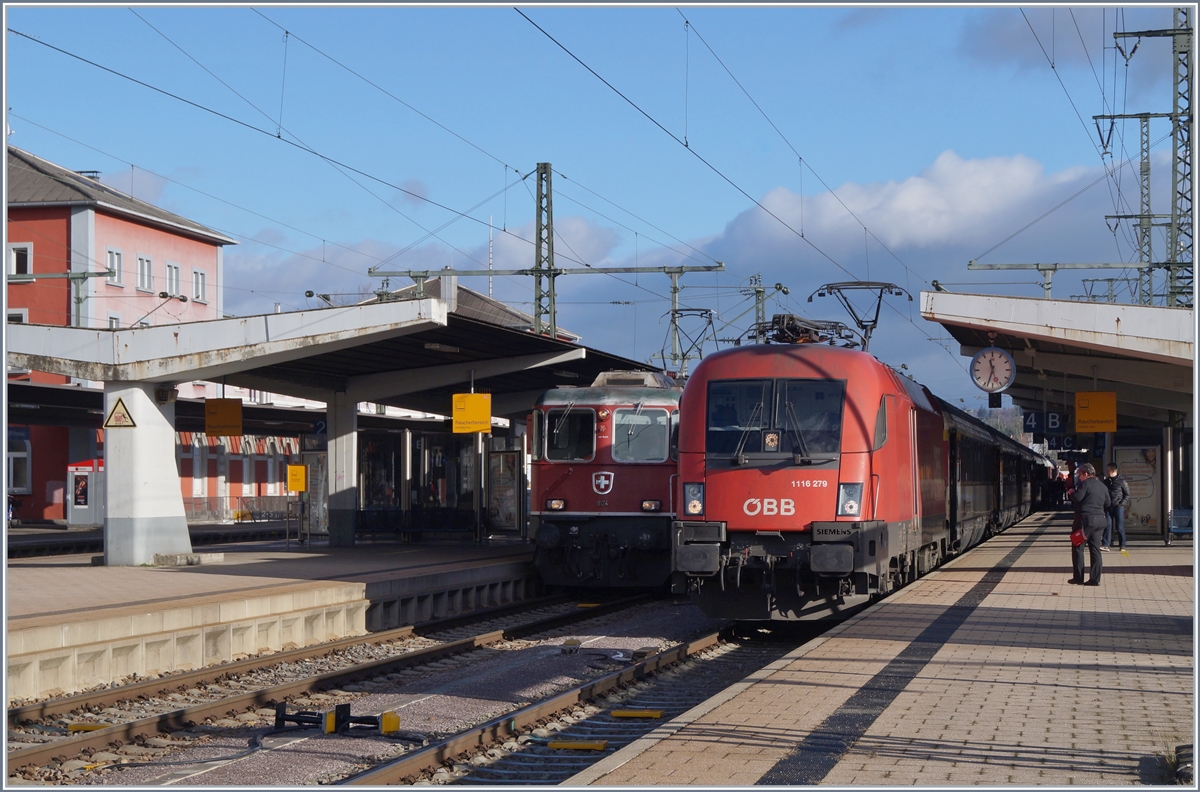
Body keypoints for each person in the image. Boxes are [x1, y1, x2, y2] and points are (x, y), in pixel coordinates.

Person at [1069, 463, 1111, 586]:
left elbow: (1077, 497)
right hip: (1100, 521)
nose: (1079, 477)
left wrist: (1071, 492)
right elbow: (1108, 503)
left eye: (1080, 475)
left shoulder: (1085, 484)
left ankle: (1078, 577)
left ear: (1086, 474)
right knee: (1095, 549)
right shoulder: (1102, 486)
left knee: (1078, 547)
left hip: (1085, 520)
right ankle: (1095, 579)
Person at [1102, 462, 1131, 551]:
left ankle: (1122, 545)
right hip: (1108, 507)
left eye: (1108, 470)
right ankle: (1106, 545)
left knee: (1119, 527)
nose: (1107, 472)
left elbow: (1127, 494)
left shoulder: (1121, 481)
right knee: (1107, 525)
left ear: (1113, 470)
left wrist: (1121, 503)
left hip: (1118, 506)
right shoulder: (1106, 482)